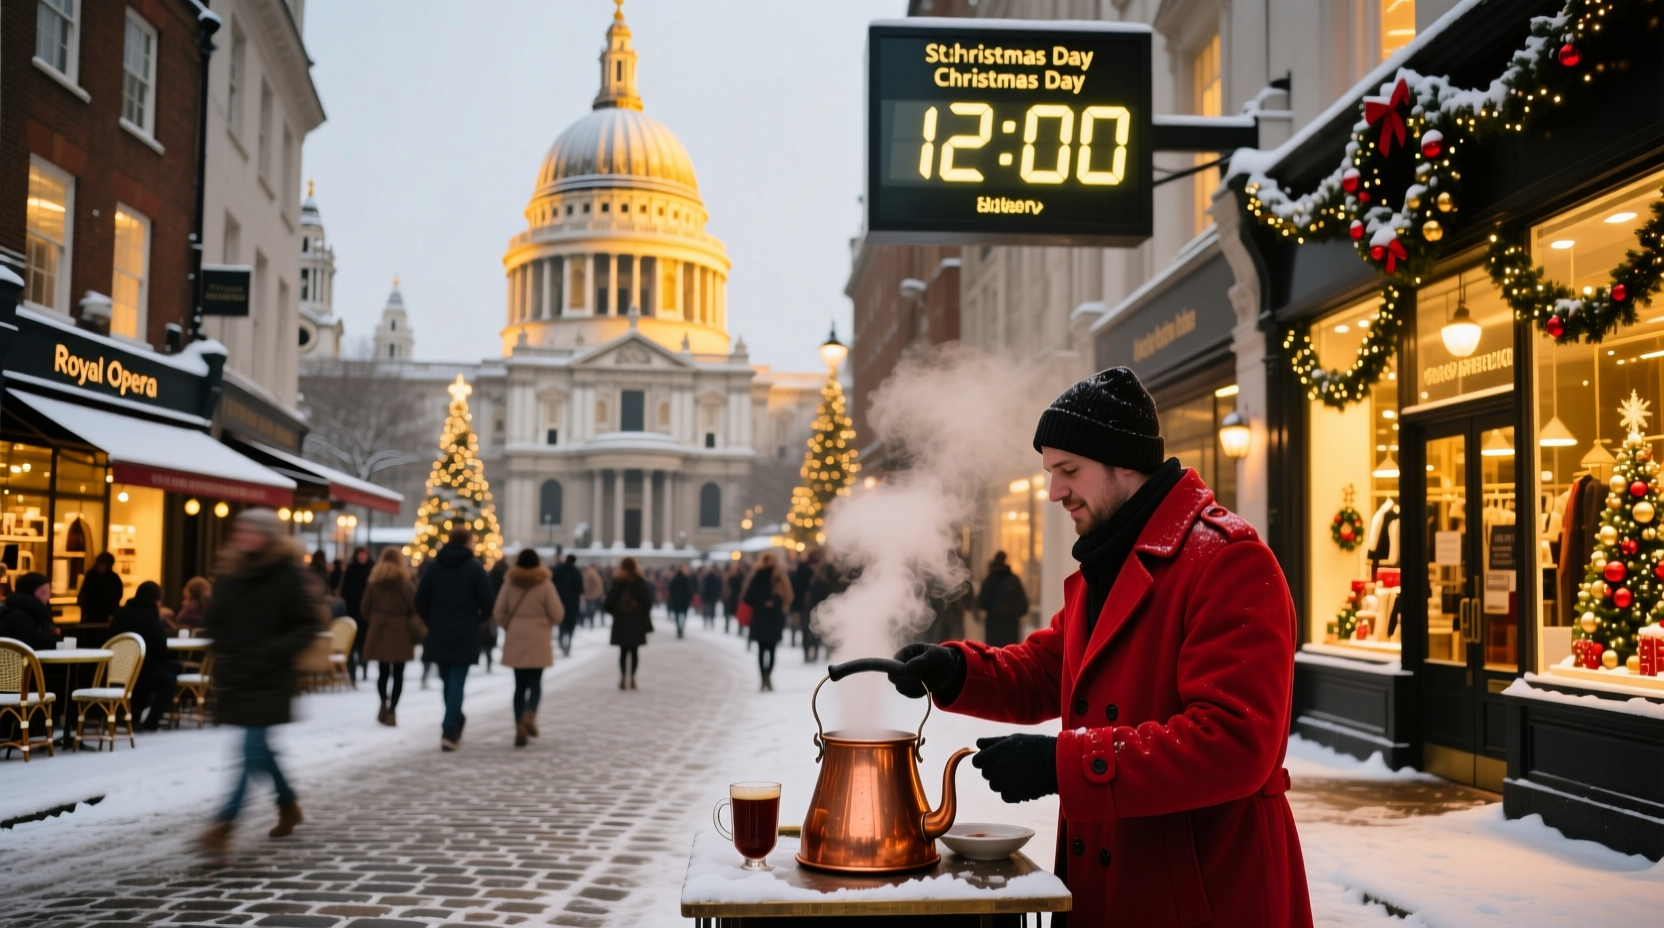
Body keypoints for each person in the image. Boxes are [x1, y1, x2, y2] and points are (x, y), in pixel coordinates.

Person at [885, 368, 1310, 928]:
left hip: (1200, 891)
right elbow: (1047, 668)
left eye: (1069, 471)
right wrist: (957, 671)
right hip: (1113, 881)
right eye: (1050, 472)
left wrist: (1060, 766)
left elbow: (1234, 742)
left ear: (1124, 462)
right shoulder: (1109, 559)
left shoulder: (1226, 560)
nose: (1055, 491)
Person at [199, 509, 323, 856]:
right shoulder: (229, 571)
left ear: (268, 535)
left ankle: (223, 824)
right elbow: (214, 620)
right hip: (238, 674)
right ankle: (288, 803)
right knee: (261, 750)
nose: (243, 535)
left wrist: (271, 651)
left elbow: (308, 624)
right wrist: (222, 643)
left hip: (271, 675)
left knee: (250, 750)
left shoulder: (285, 574)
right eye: (240, 529)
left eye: (251, 530)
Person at [415, 528, 495, 751]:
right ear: (468, 542)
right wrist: (476, 620)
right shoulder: (475, 569)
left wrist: (431, 620)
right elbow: (488, 603)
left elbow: (420, 600)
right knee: (457, 681)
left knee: (447, 680)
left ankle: (454, 720)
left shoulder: (434, 567)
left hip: (439, 630)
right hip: (465, 631)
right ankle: (449, 730)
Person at [494, 548, 563, 747]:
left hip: (516, 636)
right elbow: (557, 614)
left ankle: (518, 725)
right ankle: (529, 715)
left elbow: (498, 612)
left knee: (519, 685)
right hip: (538, 638)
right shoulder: (545, 584)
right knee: (535, 683)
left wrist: (510, 625)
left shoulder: (509, 584)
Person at [360, 548, 418, 727]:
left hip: (379, 628)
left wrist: (376, 618)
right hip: (399, 628)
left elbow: (364, 607)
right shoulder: (404, 580)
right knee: (398, 673)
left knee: (382, 672)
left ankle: (383, 705)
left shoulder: (374, 580)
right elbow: (413, 605)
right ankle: (393, 710)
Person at [110, 581, 176, 731]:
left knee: (154, 672)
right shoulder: (151, 615)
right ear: (156, 600)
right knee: (168, 678)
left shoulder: (122, 611)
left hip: (118, 670)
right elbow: (160, 645)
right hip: (142, 670)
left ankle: (133, 716)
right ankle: (152, 722)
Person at [742, 552, 793, 692]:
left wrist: (775, 601)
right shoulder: (757, 576)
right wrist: (762, 601)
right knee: (761, 650)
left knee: (771, 650)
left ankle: (767, 676)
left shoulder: (779, 577)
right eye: (766, 560)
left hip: (774, 618)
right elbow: (748, 597)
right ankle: (763, 678)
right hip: (760, 618)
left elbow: (788, 596)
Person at [603, 557, 653, 690]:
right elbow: (648, 602)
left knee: (623, 651)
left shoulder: (618, 582)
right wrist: (640, 613)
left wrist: (617, 612)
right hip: (636, 621)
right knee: (635, 651)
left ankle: (624, 676)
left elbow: (608, 603)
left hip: (621, 621)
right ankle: (633, 677)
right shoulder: (640, 582)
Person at [975, 552, 1029, 647]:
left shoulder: (990, 580)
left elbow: (981, 603)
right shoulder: (1013, 580)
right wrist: (1012, 614)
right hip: (1011, 629)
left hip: (993, 628)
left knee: (994, 657)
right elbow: (1024, 606)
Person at [1, 572, 59, 651]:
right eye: (44, 592)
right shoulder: (19, 617)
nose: (48, 596)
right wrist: (53, 637)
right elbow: (28, 645)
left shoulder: (34, 613)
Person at [339, 547, 372, 683]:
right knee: (352, 643)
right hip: (352, 611)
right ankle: (352, 673)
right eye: (361, 555)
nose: (363, 557)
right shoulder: (351, 570)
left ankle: (364, 668)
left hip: (368, 614)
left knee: (364, 643)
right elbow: (345, 590)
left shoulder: (372, 568)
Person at [76, 551, 125, 626]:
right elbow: (118, 595)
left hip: (94, 614)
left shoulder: (92, 576)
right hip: (97, 614)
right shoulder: (113, 578)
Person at [551, 554, 584, 657]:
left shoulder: (558, 570)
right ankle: (568, 643)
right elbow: (580, 590)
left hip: (560, 602)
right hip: (573, 604)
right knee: (571, 626)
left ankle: (561, 643)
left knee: (562, 625)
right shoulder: (576, 572)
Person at [667, 565, 693, 639]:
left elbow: (671, 589)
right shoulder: (686, 579)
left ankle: (679, 629)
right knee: (684, 615)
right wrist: (689, 597)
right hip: (684, 600)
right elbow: (689, 590)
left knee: (677, 615)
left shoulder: (674, 579)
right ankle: (682, 629)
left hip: (676, 600)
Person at [723, 562, 745, 635]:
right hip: (730, 598)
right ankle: (727, 627)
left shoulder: (741, 576)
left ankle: (739, 630)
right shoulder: (729, 576)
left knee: (738, 614)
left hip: (738, 598)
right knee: (728, 614)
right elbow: (726, 587)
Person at [581, 562, 604, 628]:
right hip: (592, 595)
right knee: (590, 611)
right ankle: (589, 624)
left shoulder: (590, 573)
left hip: (593, 595)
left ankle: (589, 623)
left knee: (591, 610)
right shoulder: (591, 573)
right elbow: (587, 585)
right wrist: (590, 592)